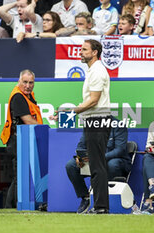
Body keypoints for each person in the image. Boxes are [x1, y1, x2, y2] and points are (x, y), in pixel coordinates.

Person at [50, 39, 111, 214]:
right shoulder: (93, 71)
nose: (80, 52)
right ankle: (100, 206)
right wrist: (65, 114)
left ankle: (101, 207)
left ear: (94, 52)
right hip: (94, 120)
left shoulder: (98, 71)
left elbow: (93, 100)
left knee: (97, 166)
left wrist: (71, 111)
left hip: (97, 121)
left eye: (84, 49)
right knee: (96, 165)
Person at [65, 116, 131, 214]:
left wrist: (99, 158)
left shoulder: (118, 125)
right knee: (71, 165)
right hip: (94, 160)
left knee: (112, 164)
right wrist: (80, 157)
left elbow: (119, 150)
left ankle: (107, 200)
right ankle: (86, 197)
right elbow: (81, 146)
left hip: (114, 160)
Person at [0, 69, 43, 208]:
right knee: (19, 176)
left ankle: (12, 206)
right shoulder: (18, 97)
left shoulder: (28, 96)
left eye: (31, 82)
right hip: (17, 141)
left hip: (23, 140)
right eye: (25, 82)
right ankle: (11, 206)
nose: (28, 85)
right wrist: (45, 129)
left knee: (20, 176)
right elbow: (28, 121)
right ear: (19, 81)